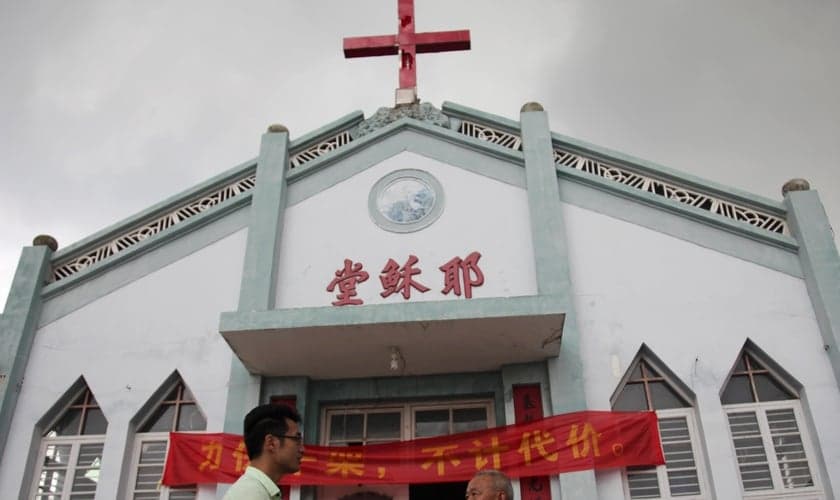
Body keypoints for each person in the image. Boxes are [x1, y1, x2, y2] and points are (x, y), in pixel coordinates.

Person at [223, 403, 304, 500]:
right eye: (296, 439)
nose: (302, 449)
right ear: (271, 443)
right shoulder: (251, 494)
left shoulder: (259, 490)